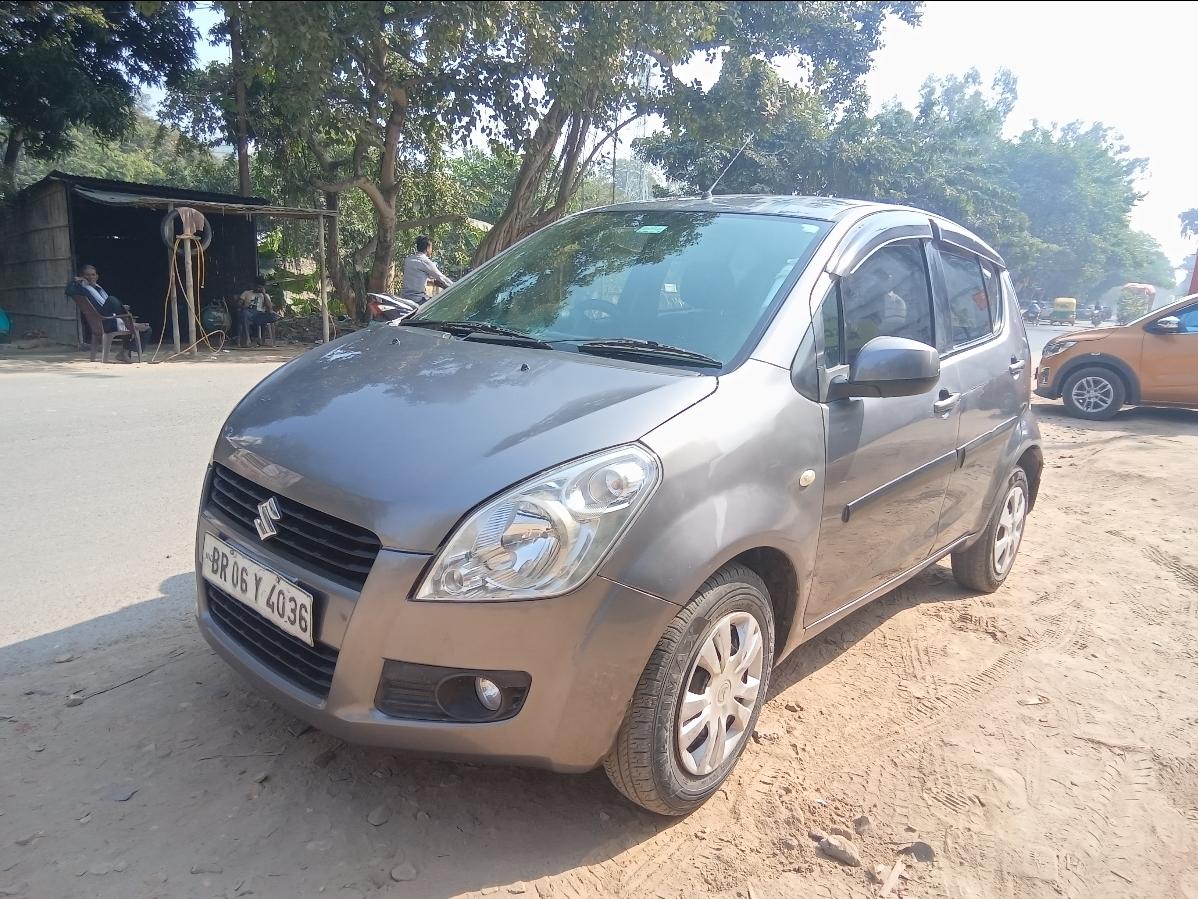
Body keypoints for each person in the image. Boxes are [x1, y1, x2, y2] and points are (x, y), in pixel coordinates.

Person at [65, 264, 135, 361]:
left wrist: (120, 308)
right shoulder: (81, 288)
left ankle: (124, 352)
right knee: (112, 299)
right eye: (87, 275)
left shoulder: (98, 288)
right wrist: (75, 280)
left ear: (97, 276)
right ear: (82, 275)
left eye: (93, 275)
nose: (90, 277)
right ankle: (127, 320)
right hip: (104, 321)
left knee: (147, 330)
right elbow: (68, 291)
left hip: (110, 317)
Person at [399, 236, 454, 304]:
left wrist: (432, 281)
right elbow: (441, 277)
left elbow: (416, 276)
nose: (431, 250)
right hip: (417, 299)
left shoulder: (408, 260)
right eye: (431, 248)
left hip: (404, 297)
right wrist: (455, 286)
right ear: (428, 248)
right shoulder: (425, 261)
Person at [239, 276, 280, 347]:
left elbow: (270, 307)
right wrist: (244, 306)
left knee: (273, 316)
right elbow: (238, 304)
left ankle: (261, 340)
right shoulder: (247, 293)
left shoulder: (265, 295)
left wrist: (264, 294)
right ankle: (247, 339)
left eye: (260, 287)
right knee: (244, 314)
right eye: (257, 287)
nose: (258, 289)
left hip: (260, 314)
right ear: (253, 285)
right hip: (249, 313)